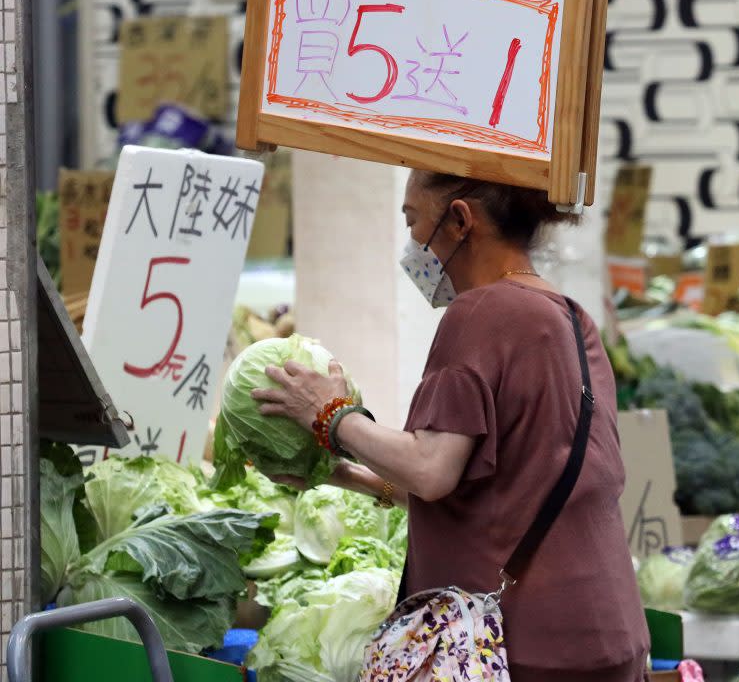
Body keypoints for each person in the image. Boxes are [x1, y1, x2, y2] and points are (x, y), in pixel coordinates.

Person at [252, 169, 650, 682]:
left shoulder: (480, 310)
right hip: (606, 633)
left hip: (522, 646)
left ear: (460, 220)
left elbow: (431, 469)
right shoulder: (568, 316)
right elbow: (493, 490)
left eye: (414, 220)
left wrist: (330, 414)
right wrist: (342, 475)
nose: (413, 243)